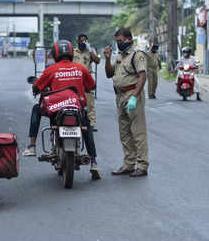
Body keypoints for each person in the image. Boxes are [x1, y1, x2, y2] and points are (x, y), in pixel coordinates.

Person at [23, 40, 101, 180]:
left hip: (56, 110)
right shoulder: (80, 68)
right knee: (86, 128)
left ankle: (32, 145)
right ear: (71, 53)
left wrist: (36, 88)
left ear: (55, 53)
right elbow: (92, 86)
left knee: (36, 109)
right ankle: (94, 162)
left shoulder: (51, 69)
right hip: (77, 108)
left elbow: (37, 87)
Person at [104, 28, 149, 177]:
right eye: (117, 41)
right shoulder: (120, 56)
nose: (118, 44)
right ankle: (129, 163)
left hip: (132, 94)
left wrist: (134, 97)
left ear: (129, 39)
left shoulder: (137, 54)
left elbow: (142, 76)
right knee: (124, 133)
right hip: (120, 96)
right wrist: (107, 58)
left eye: (120, 41)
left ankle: (142, 165)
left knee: (138, 131)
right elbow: (109, 74)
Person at [73, 34, 100, 131]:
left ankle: (91, 124)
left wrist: (90, 50)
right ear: (78, 42)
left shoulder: (90, 51)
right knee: (75, 100)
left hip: (86, 79)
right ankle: (76, 122)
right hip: (75, 79)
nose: (82, 43)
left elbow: (97, 61)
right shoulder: (73, 52)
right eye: (81, 41)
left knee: (89, 102)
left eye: (85, 41)